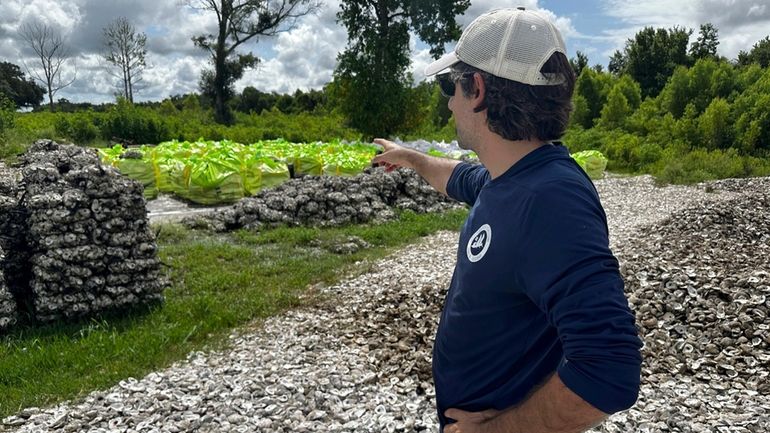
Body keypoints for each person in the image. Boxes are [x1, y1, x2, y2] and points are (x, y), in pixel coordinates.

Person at [372, 7, 642, 433]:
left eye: (450, 85)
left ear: (476, 89)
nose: (448, 100)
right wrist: (409, 157)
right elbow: (458, 177)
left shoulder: (550, 199)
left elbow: (609, 368)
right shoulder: (511, 178)